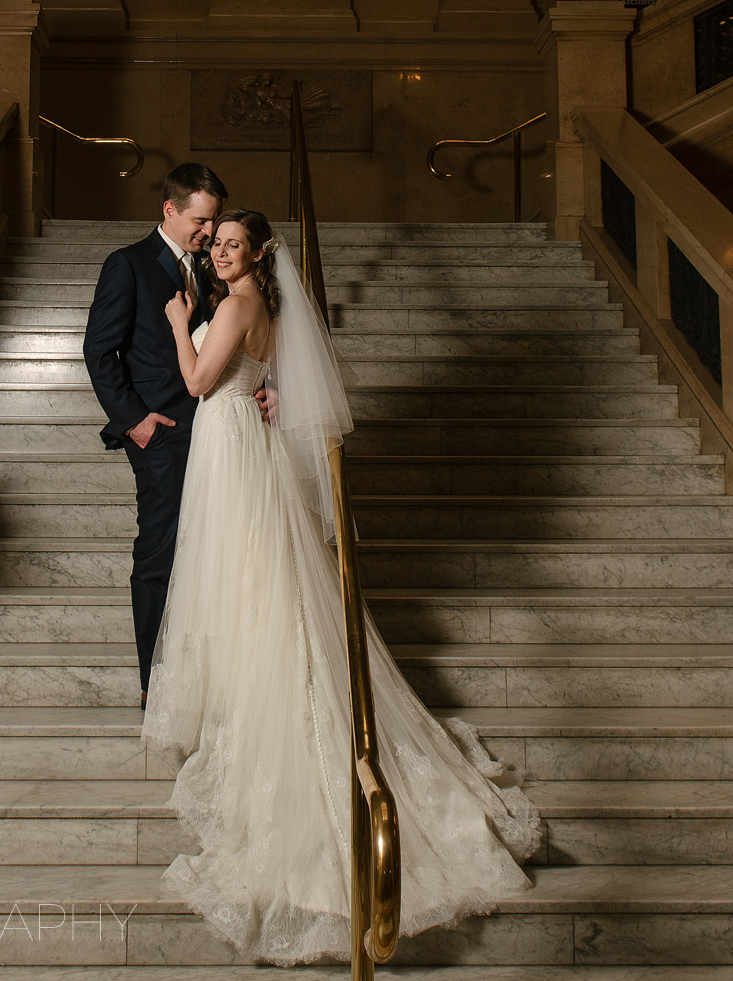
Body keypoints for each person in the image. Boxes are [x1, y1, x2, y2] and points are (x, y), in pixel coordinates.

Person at [142, 208, 541, 965]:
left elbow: (197, 381)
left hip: (228, 451)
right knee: (262, 588)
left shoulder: (233, 304)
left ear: (259, 254)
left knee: (255, 588)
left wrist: (175, 320)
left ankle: (278, 726)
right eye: (217, 243)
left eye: (234, 245)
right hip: (243, 449)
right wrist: (267, 393)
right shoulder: (272, 307)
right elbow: (280, 385)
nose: (222, 253)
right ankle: (254, 693)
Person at [82, 164, 227, 706]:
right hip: (162, 435)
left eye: (213, 222)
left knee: (215, 553)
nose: (208, 232)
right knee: (160, 555)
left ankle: (206, 677)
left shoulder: (213, 268)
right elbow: (99, 351)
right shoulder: (128, 265)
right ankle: (155, 685)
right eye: (199, 220)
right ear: (169, 209)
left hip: (218, 431)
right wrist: (136, 420)